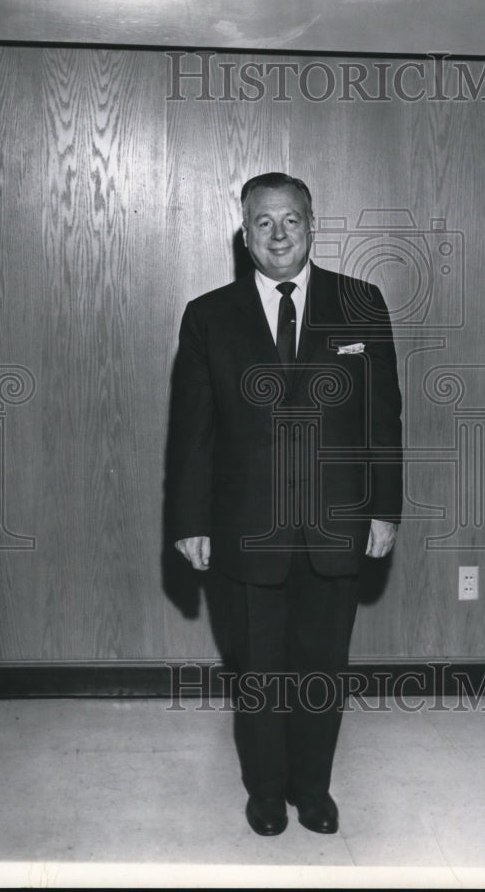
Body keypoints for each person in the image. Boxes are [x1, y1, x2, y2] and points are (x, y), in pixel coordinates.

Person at [168, 172, 402, 836]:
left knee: (322, 666)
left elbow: (383, 418)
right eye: (263, 223)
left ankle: (313, 789)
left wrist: (384, 509)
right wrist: (189, 521)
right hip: (246, 528)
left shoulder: (360, 303)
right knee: (259, 671)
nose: (278, 235)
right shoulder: (209, 316)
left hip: (336, 523)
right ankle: (267, 792)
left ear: (311, 225)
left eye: (290, 220)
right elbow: (192, 432)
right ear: (244, 235)